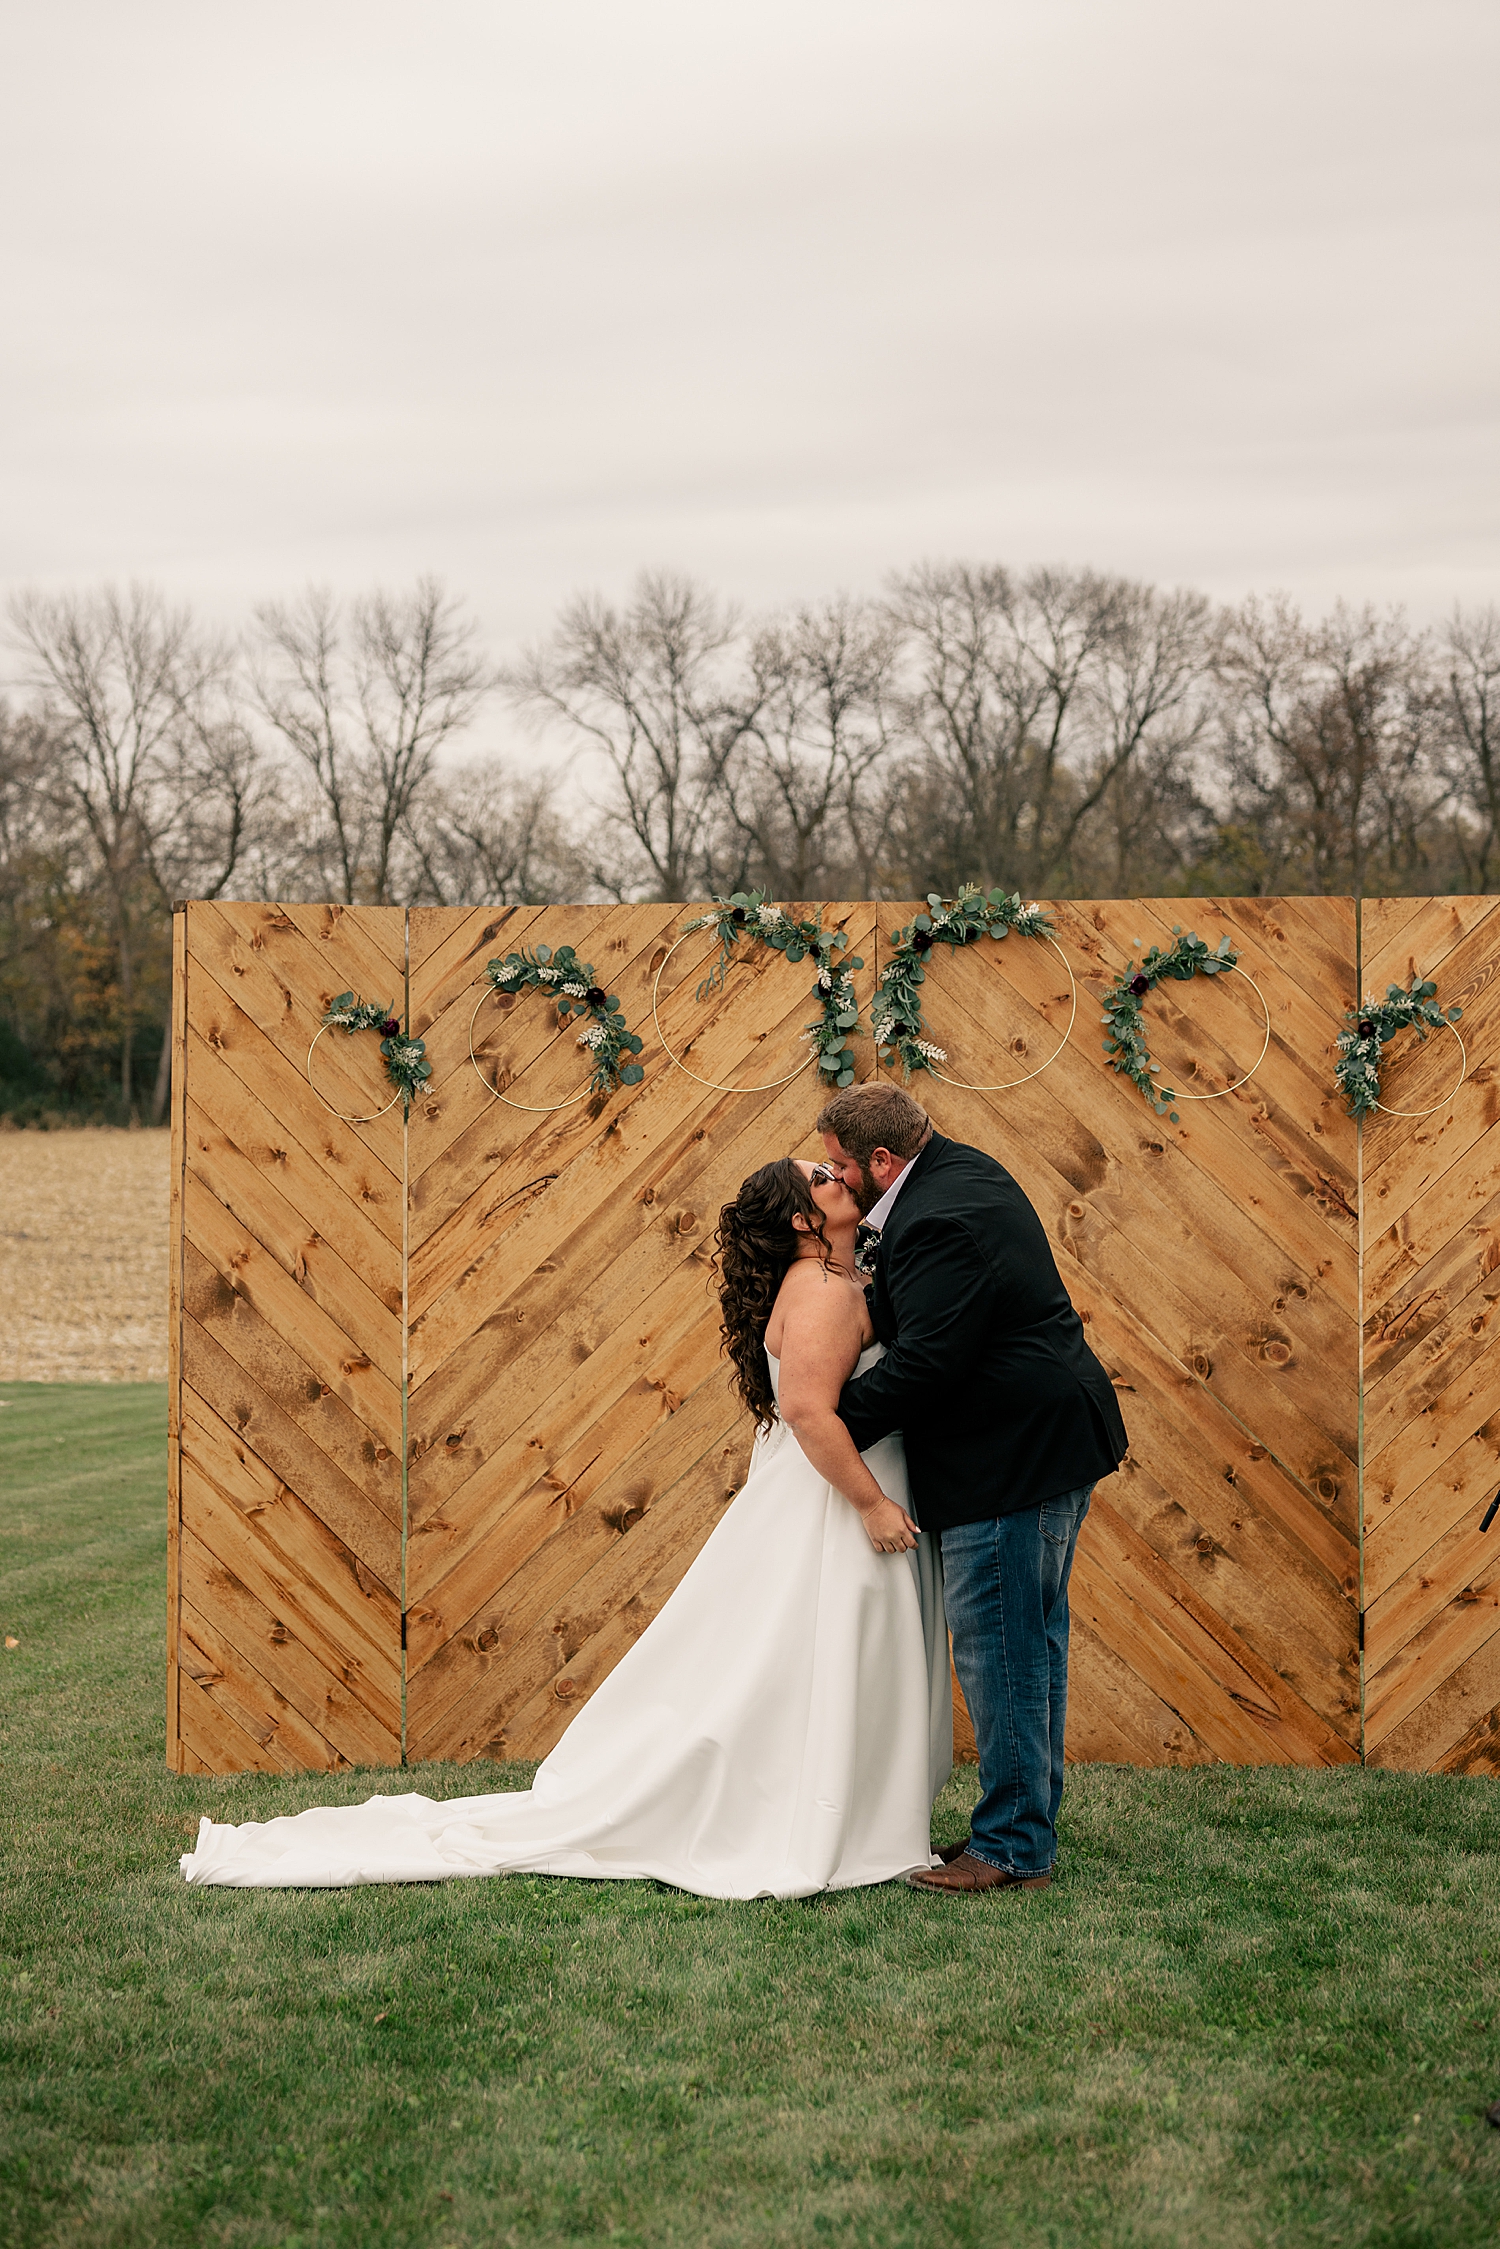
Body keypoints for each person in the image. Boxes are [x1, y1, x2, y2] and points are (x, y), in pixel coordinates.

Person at [180, 1156, 951, 1898]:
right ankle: (823, 1822)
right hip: (829, 1503)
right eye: (819, 1177)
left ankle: (850, 1815)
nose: (837, 1175)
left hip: (815, 1496)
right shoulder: (819, 1288)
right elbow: (811, 1410)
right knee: (820, 1651)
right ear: (801, 1218)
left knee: (810, 1658)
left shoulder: (833, 1278)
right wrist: (871, 1504)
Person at [818, 1081, 1128, 1897]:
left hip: (1011, 1456)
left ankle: (1014, 1847)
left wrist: (821, 1420)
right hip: (1043, 1438)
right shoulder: (961, 1171)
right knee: (1034, 1641)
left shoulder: (937, 1219)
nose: (836, 1176)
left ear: (881, 1160)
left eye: (843, 1165)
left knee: (1004, 1649)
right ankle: (1022, 1822)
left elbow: (927, 1364)